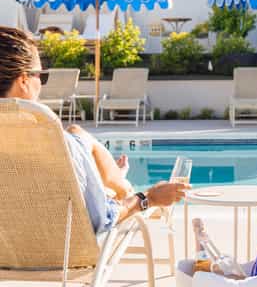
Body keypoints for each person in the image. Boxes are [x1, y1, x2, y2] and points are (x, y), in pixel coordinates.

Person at [0, 26, 190, 233]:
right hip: (64, 258)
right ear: (24, 80)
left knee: (78, 134)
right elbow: (101, 220)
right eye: (41, 76)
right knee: (79, 136)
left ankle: (109, 180)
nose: (42, 84)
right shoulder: (53, 145)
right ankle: (117, 183)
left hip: (7, 257)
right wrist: (148, 198)